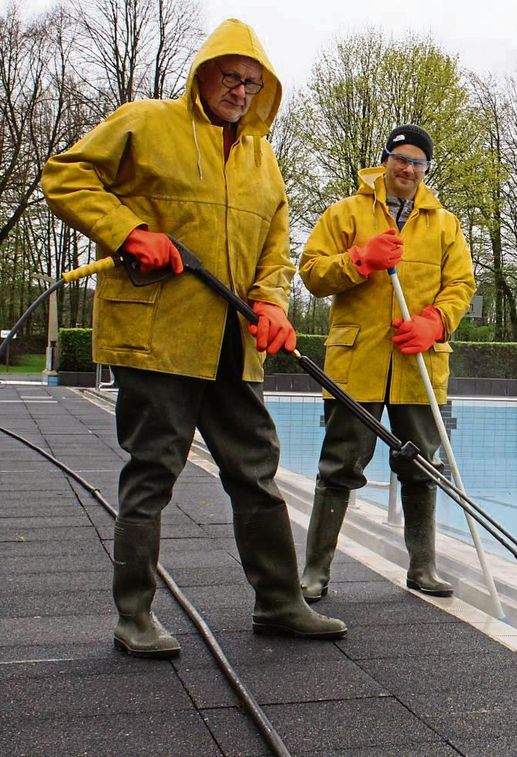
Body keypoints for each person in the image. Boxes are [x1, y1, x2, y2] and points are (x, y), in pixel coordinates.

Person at [40, 19, 347, 658]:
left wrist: (271, 302)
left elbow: (275, 247)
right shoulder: (146, 123)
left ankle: (280, 602)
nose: (241, 90)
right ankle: (133, 616)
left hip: (232, 343)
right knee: (153, 470)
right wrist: (127, 232)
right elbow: (65, 176)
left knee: (257, 473)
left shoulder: (264, 158)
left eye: (253, 83)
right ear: (202, 74)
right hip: (157, 335)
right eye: (231, 77)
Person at [298, 124, 475, 600]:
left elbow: (461, 285)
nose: (408, 168)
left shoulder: (445, 225)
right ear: (385, 160)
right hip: (357, 365)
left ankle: (423, 567)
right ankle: (314, 572)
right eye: (400, 157)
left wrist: (435, 322)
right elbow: (312, 273)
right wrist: (360, 260)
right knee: (338, 467)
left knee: (423, 468)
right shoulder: (346, 214)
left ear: (426, 169)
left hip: (419, 367)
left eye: (418, 162)